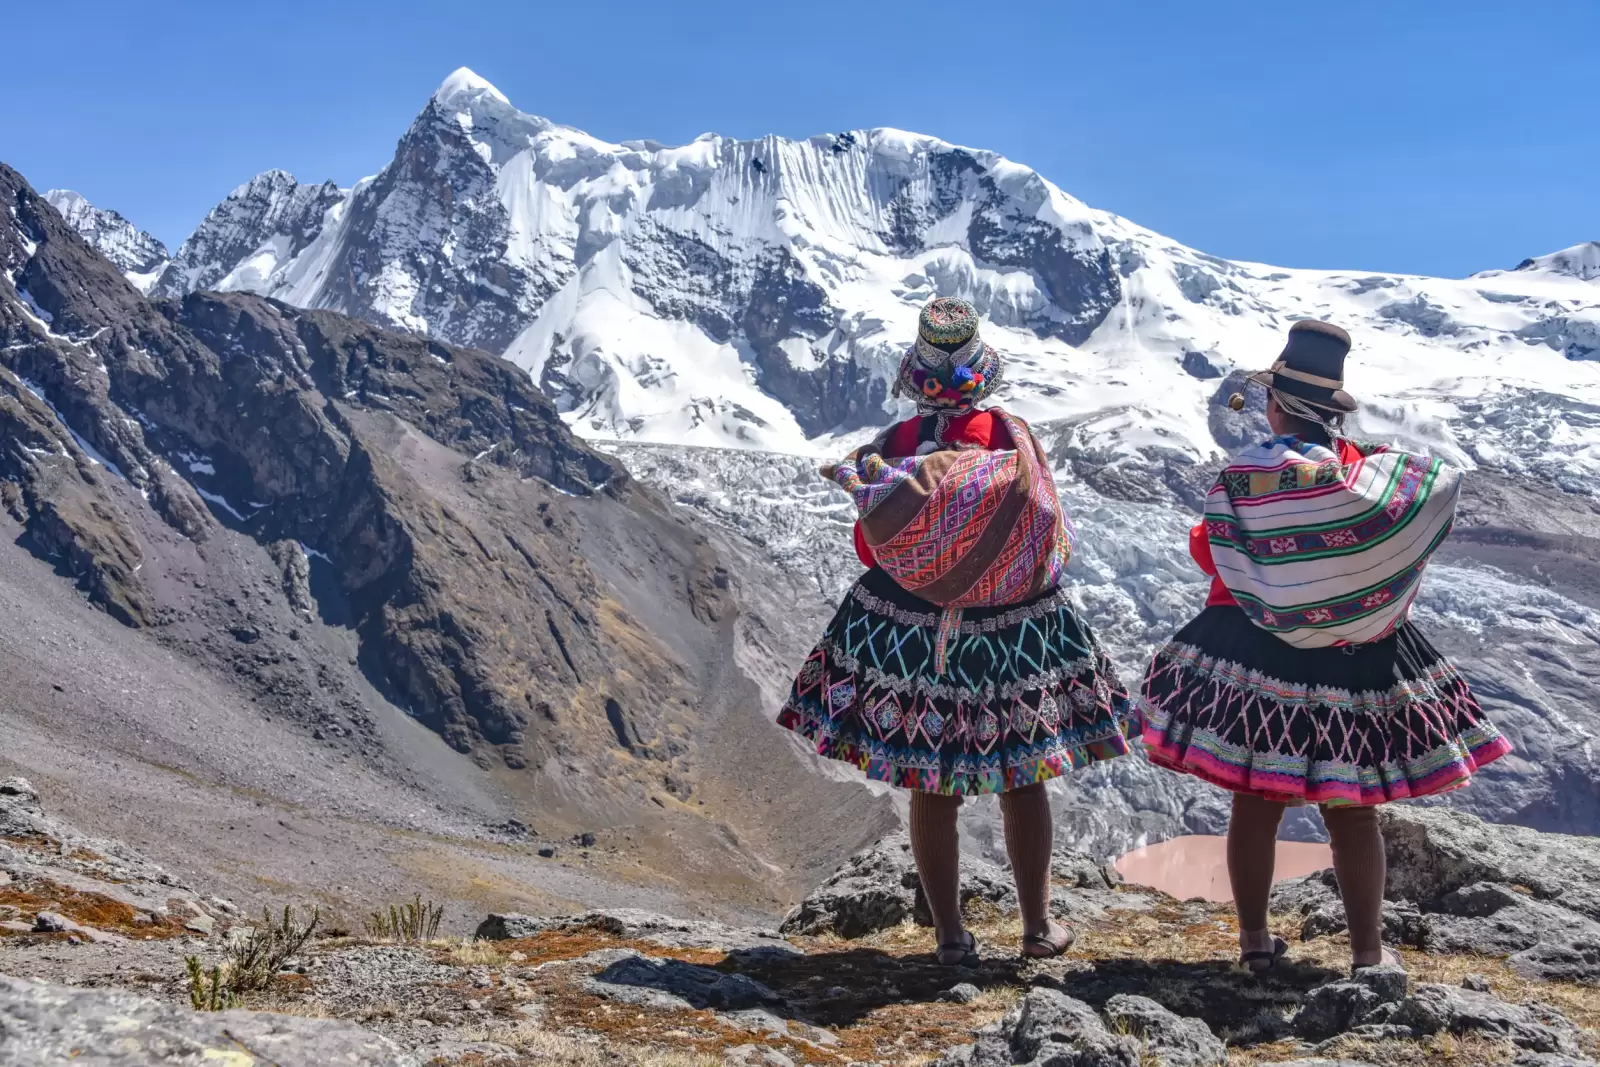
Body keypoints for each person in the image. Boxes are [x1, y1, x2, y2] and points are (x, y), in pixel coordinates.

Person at [1138, 320, 1513, 975]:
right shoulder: (1366, 475)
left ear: (1277, 405)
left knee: (1255, 800)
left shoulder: (1247, 475)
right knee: (1353, 810)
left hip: (1256, 659)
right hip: (1352, 662)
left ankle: (1255, 940)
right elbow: (1415, 519)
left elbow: (1209, 549)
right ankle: (1368, 952)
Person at [777, 297, 1131, 966]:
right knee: (1023, 776)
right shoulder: (1011, 436)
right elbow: (1047, 526)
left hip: (909, 626)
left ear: (917, 378)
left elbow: (868, 543)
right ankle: (1036, 928)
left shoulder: (895, 450)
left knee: (930, 779)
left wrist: (929, 553)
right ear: (981, 373)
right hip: (1013, 626)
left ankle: (949, 937)